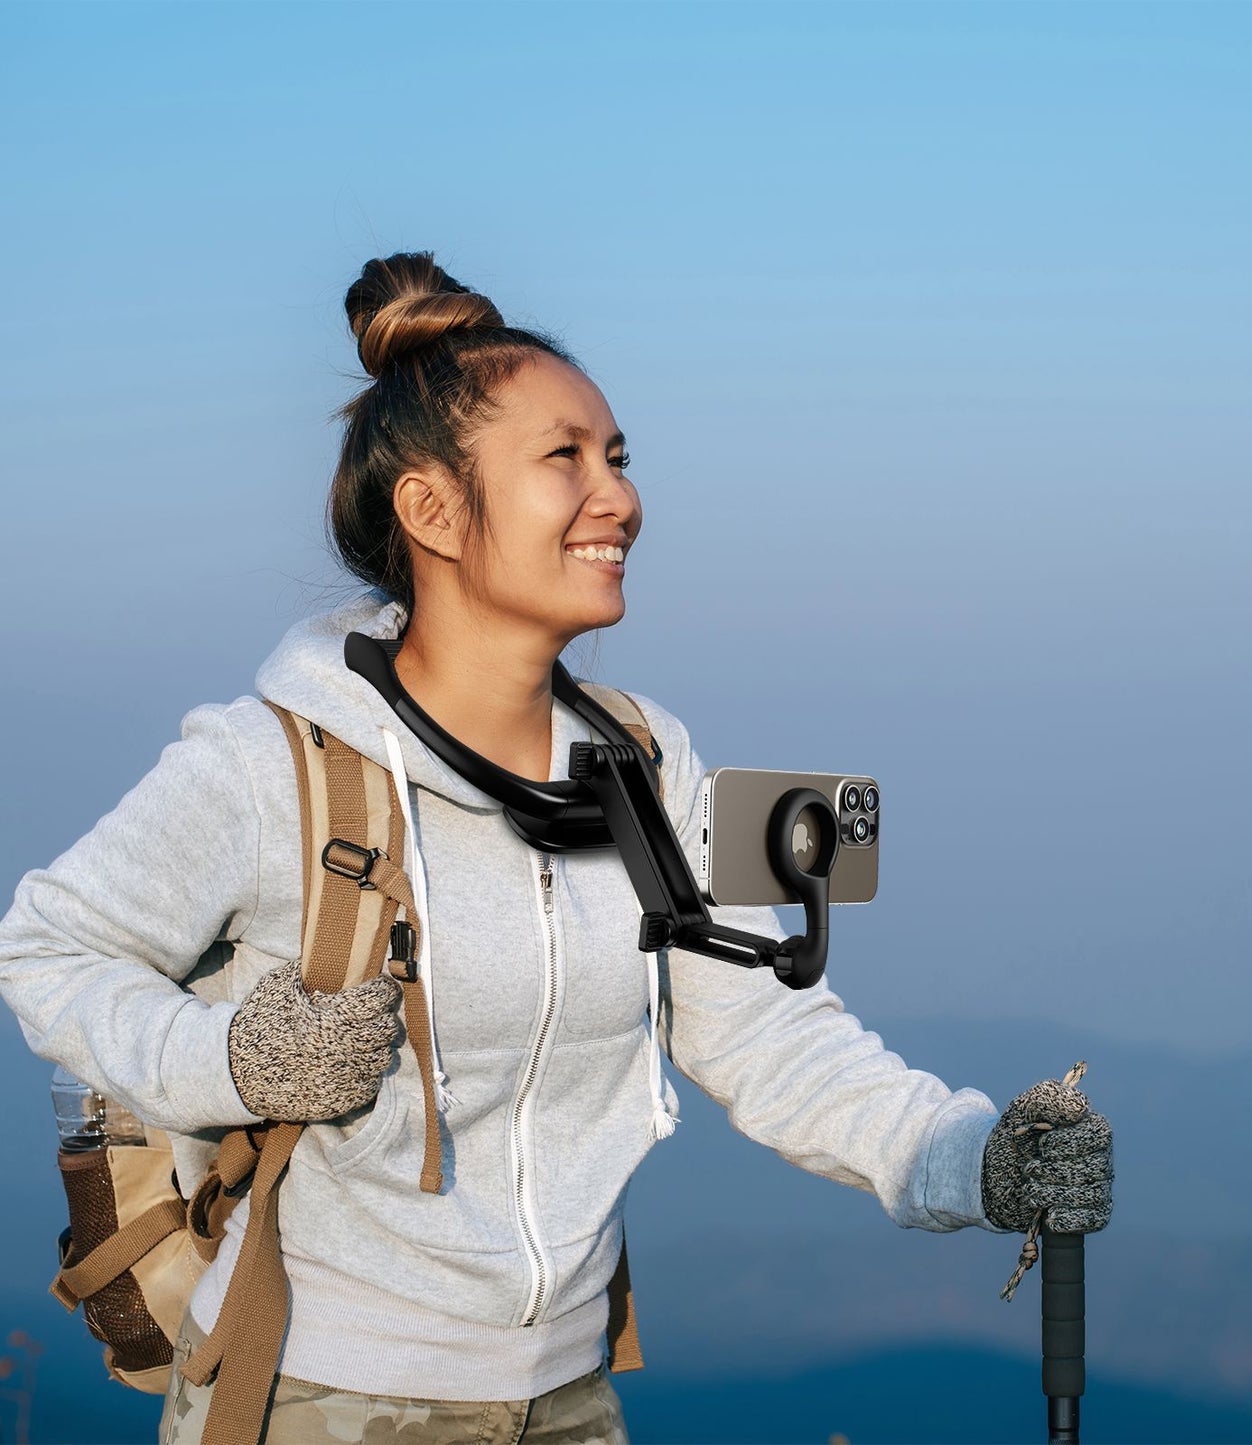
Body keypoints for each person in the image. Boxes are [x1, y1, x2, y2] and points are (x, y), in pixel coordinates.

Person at [0, 253, 1112, 1445]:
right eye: (564, 458)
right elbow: (47, 946)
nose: (618, 498)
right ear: (429, 510)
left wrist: (970, 1159)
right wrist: (236, 1058)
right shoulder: (269, 762)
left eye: (618, 455)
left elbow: (770, 1031)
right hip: (313, 1394)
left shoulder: (650, 758)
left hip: (570, 1396)